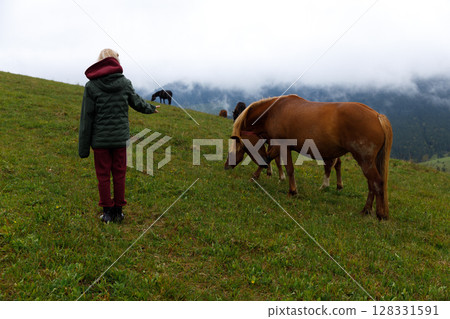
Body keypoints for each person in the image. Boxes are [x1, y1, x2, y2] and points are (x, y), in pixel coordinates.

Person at [78, 49, 159, 223]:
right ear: (116, 61)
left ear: (99, 61)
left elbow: (87, 118)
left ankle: (107, 213)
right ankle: (119, 212)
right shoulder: (125, 83)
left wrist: (83, 148)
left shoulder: (91, 86)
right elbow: (136, 102)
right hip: (120, 139)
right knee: (119, 174)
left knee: (103, 176)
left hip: (100, 141)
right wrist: (150, 108)